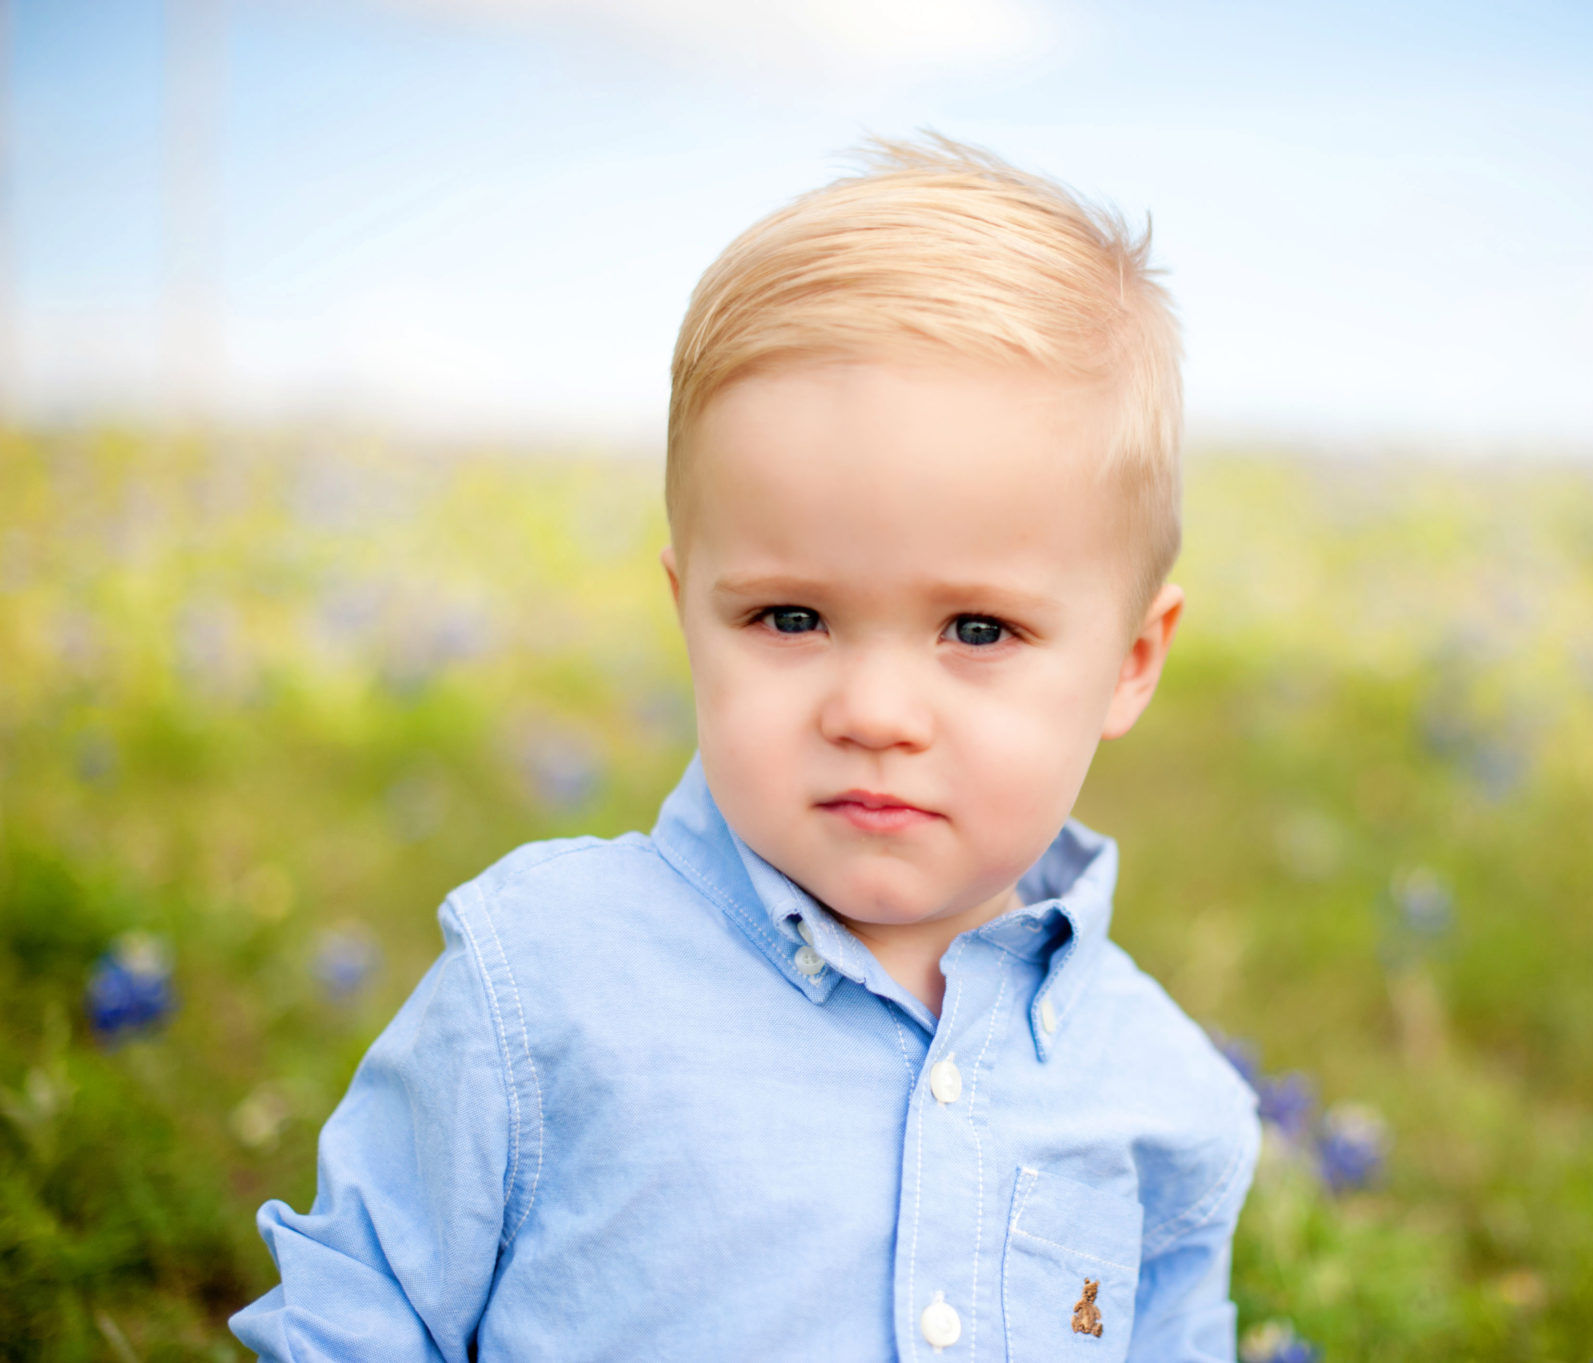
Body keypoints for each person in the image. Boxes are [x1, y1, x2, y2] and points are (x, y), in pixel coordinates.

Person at [229, 135, 1260, 1362]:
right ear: (687, 613)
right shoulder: (547, 974)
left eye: (977, 629)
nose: (874, 709)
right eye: (790, 617)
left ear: (1132, 660)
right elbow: (356, 1308)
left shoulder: (1162, 1095)